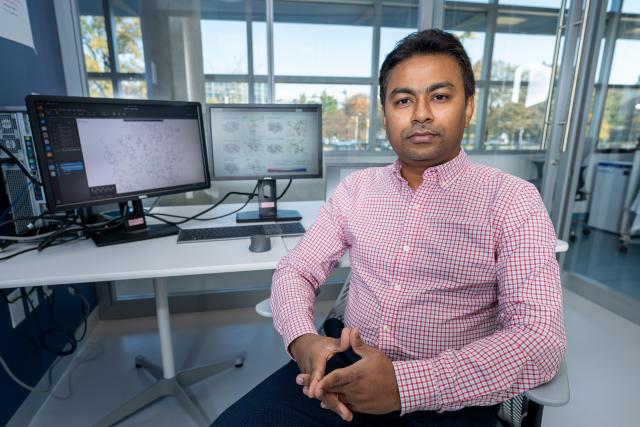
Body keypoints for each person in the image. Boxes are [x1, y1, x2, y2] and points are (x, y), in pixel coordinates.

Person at [213, 28, 566, 427]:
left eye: (440, 96)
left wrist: (402, 385)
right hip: (341, 365)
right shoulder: (358, 189)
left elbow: (540, 339)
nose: (420, 114)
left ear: (468, 107)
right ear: (385, 115)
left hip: (446, 393)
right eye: (403, 100)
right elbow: (297, 269)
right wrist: (302, 341)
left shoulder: (512, 199)